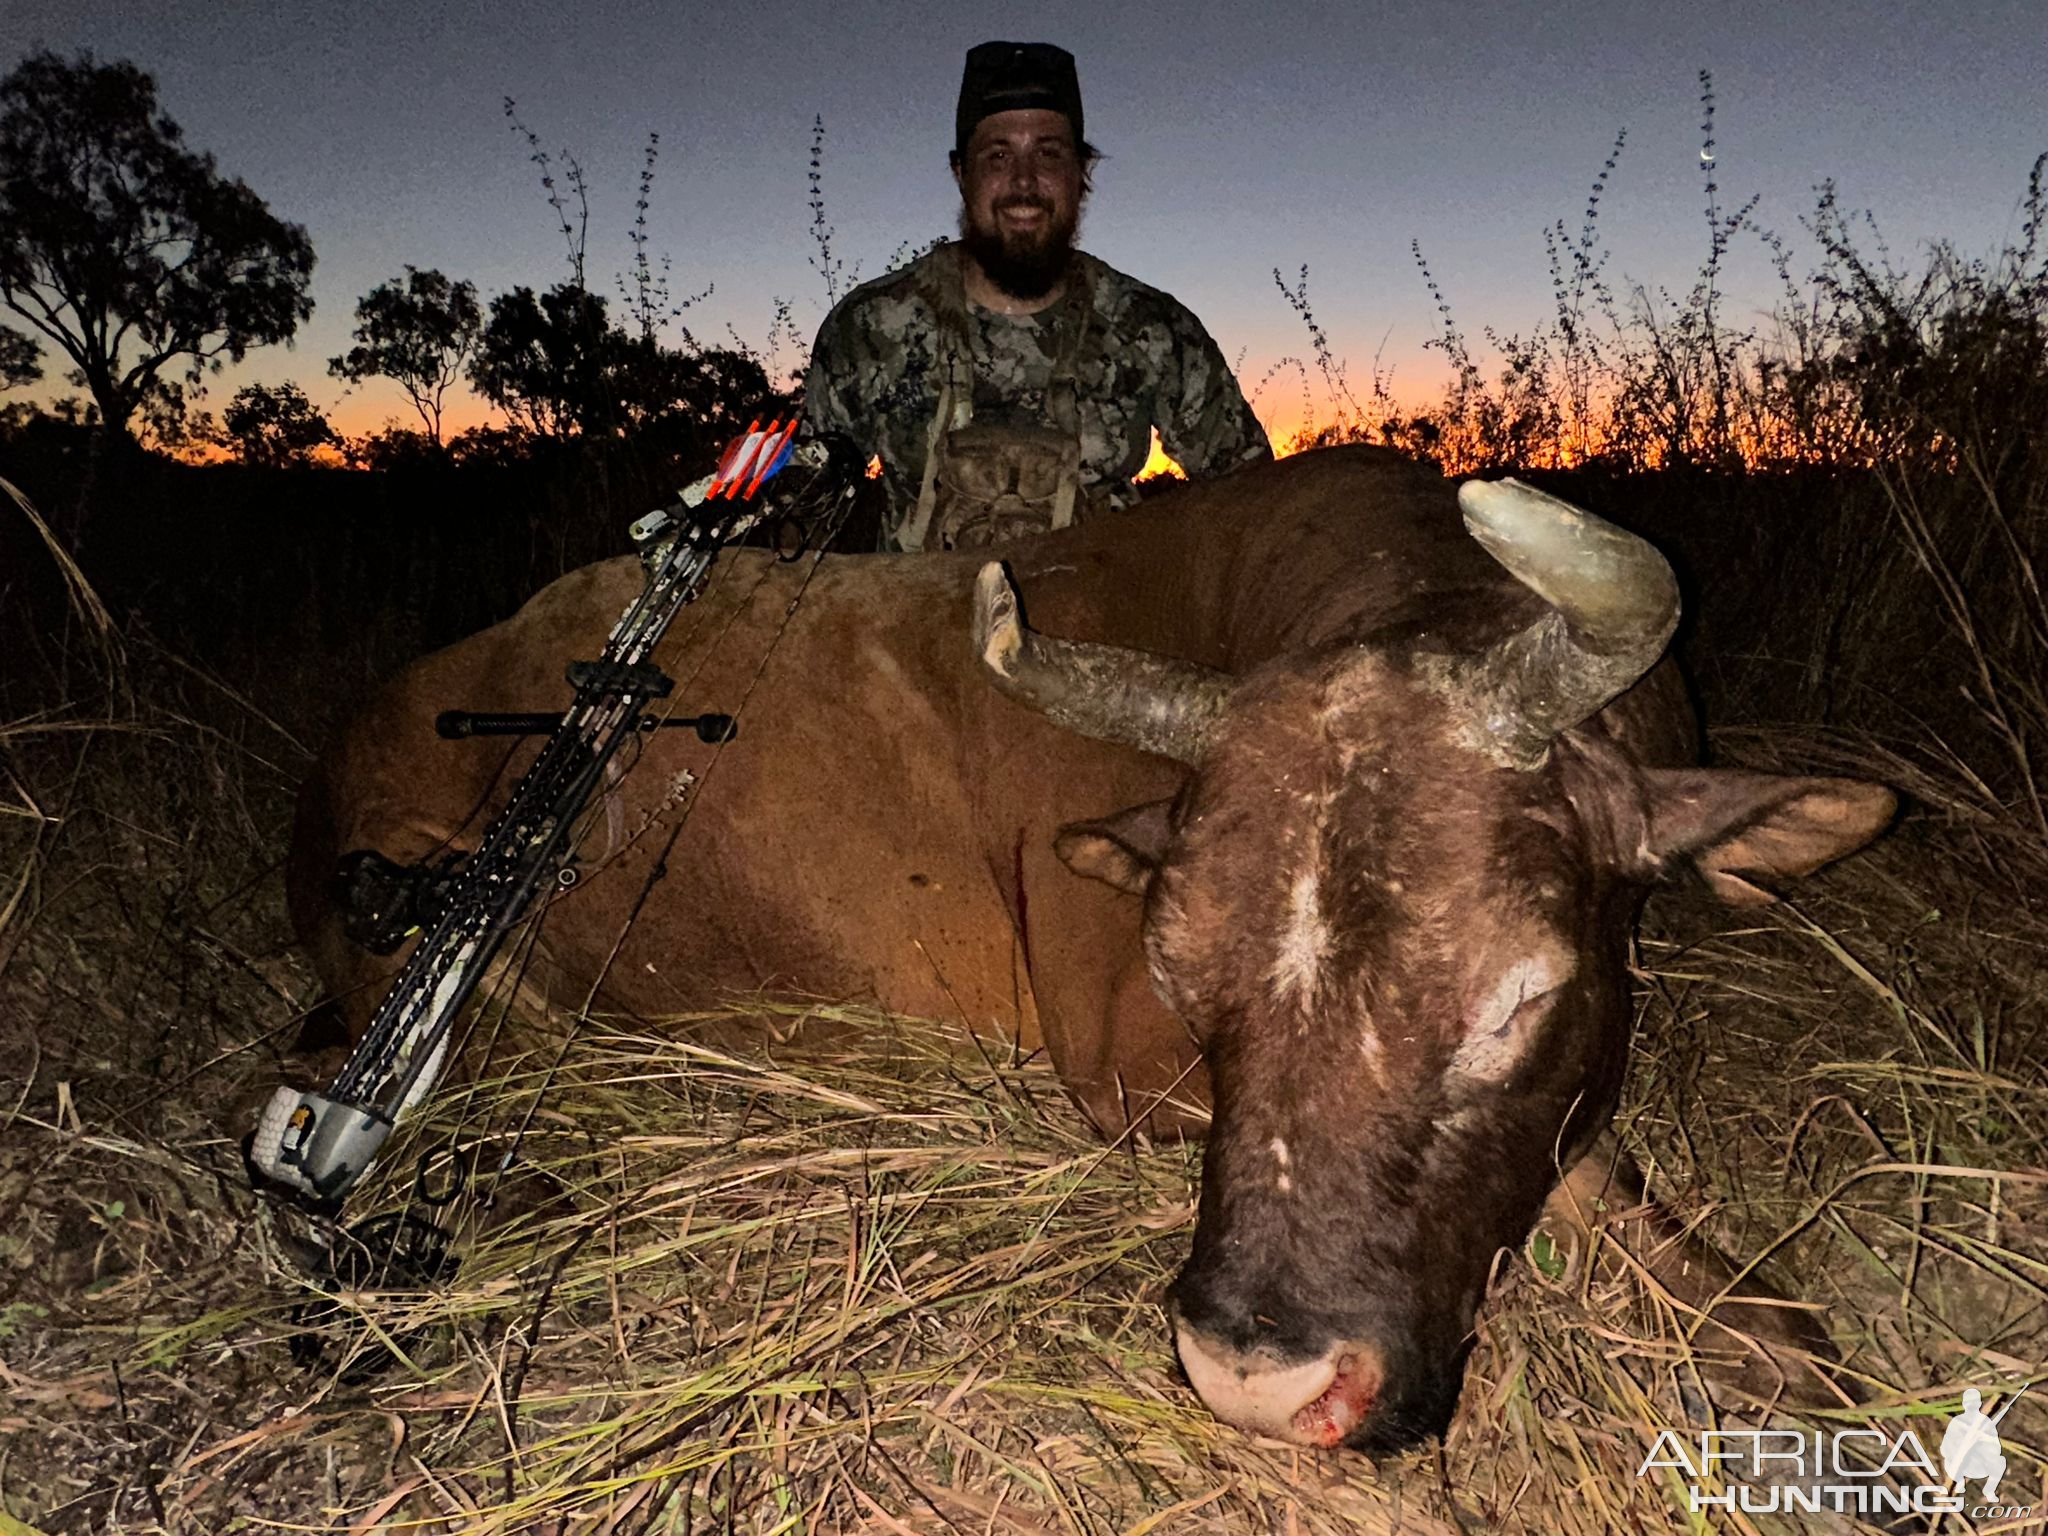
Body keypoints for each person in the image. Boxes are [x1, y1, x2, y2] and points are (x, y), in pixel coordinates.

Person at [803, 41, 1273, 552]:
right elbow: (802, 512)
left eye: (1048, 153)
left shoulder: (1153, 329)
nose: (1024, 182)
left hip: (1106, 623)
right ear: (962, 175)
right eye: (998, 155)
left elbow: (1255, 502)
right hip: (914, 623)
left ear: (1081, 173)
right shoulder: (870, 327)